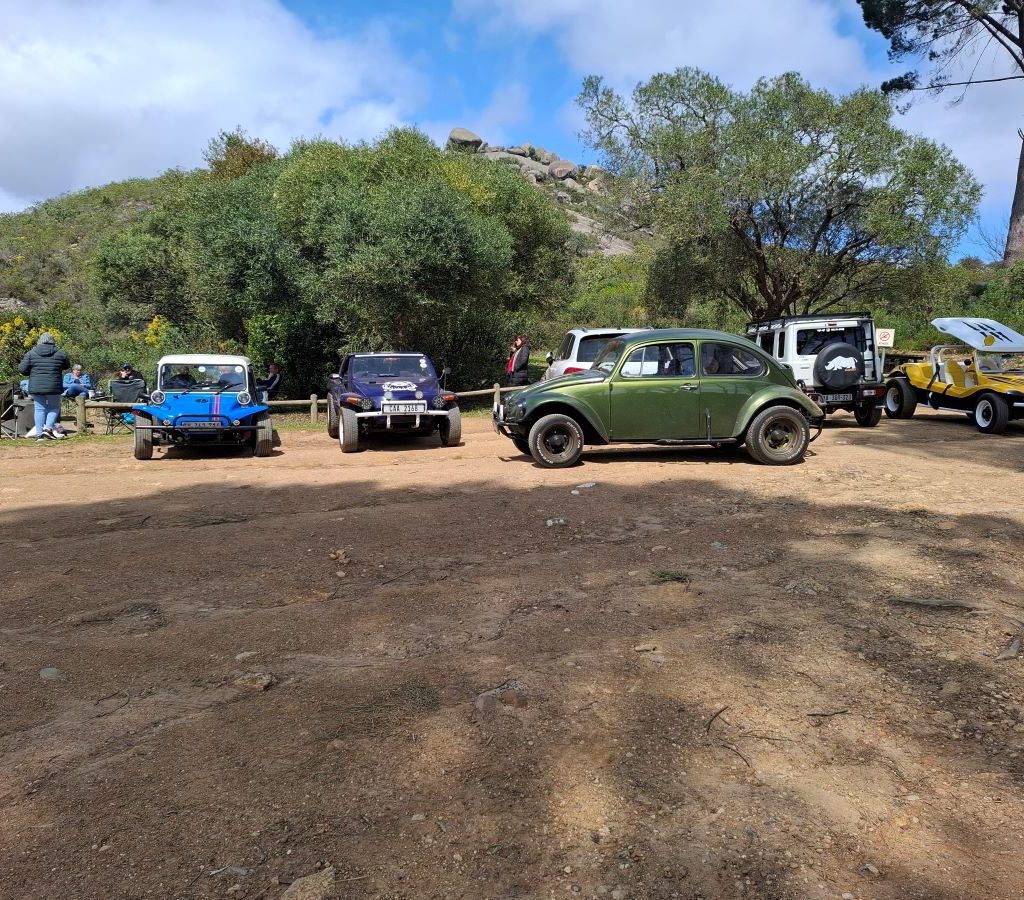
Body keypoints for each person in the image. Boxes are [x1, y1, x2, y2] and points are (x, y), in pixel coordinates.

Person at [18, 331, 70, 441]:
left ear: (39, 341)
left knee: (39, 409)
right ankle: (48, 429)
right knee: (54, 407)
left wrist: (31, 373)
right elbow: (66, 366)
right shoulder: (60, 353)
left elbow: (22, 369)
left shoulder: (31, 353)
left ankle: (39, 435)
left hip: (37, 386)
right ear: (52, 341)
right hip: (54, 386)